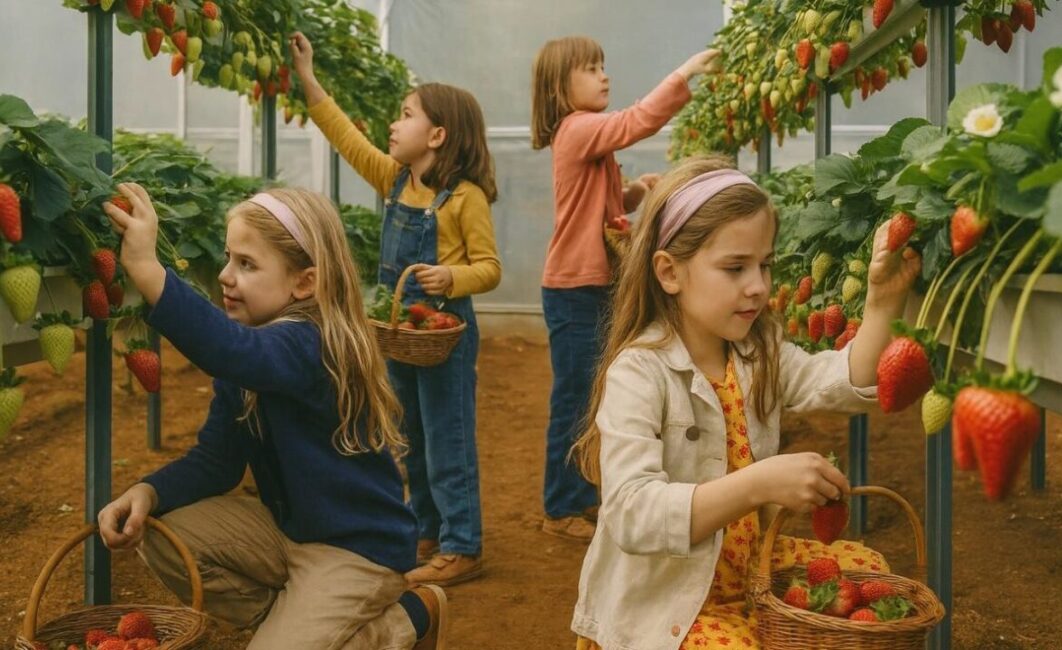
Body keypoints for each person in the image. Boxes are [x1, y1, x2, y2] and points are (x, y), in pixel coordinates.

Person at [570, 155, 922, 649]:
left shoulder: (759, 353)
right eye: (735, 267)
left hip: (748, 566)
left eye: (764, 265)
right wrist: (757, 483)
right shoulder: (640, 373)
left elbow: (845, 382)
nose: (758, 286)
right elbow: (632, 513)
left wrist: (883, 301)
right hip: (671, 601)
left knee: (871, 572)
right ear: (669, 272)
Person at [98, 183, 446, 649]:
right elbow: (217, 462)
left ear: (304, 282)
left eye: (247, 264)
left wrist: (146, 268)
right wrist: (148, 491)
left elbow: (234, 352)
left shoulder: (310, 343)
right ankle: (300, 626)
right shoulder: (251, 351)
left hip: (356, 551)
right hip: (287, 533)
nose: (225, 275)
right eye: (229, 258)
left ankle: (405, 619)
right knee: (161, 533)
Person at [292, 32, 501, 586]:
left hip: (446, 335)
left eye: (406, 115)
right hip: (397, 334)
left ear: (437, 135)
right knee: (410, 434)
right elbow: (345, 137)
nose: (393, 124)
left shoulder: (465, 197)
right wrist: (308, 78)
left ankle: (463, 544)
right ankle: (427, 530)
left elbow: (489, 267)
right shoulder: (394, 179)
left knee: (448, 437)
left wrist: (451, 276)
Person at [530, 36, 719, 541]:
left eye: (603, 66)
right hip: (574, 289)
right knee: (575, 398)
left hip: (591, 285)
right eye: (591, 69)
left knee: (592, 392)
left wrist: (633, 193)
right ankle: (560, 506)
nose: (604, 76)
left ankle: (579, 495)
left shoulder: (585, 137)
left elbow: (598, 204)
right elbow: (636, 121)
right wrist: (683, 72)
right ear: (559, 87)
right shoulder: (577, 128)